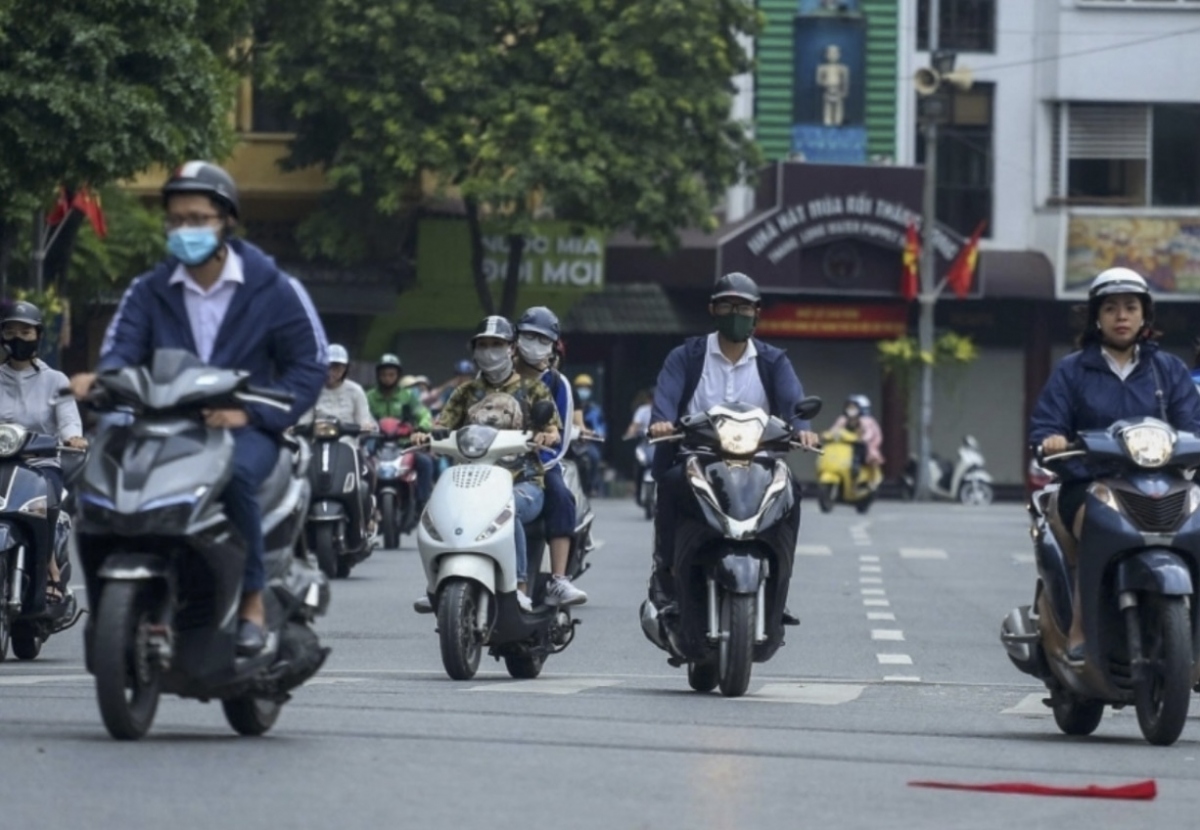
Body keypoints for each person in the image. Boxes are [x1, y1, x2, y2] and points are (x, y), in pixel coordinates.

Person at [70, 160, 327, 655]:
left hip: (242, 428)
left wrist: (252, 414)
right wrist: (99, 381)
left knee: (234, 478)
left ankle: (251, 599)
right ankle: (107, 607)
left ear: (226, 219)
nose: (185, 230)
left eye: (198, 218)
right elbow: (121, 351)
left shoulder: (274, 288)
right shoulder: (149, 289)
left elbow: (309, 365)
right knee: (100, 480)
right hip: (161, 426)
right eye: (177, 220)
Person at [1029, 267, 1200, 663]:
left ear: (1145, 316)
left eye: (1130, 307)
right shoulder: (1073, 370)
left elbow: (1191, 424)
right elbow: (1046, 425)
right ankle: (1081, 627)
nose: (1121, 316)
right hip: (1091, 485)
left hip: (1162, 485)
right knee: (1097, 522)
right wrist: (1053, 439)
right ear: (1096, 317)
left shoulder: (1169, 370)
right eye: (1110, 308)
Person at [646, 272, 819, 621]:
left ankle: (778, 585)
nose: (736, 313)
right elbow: (666, 397)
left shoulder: (773, 361)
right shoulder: (687, 356)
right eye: (727, 304)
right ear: (713, 309)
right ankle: (665, 576)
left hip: (758, 463)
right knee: (669, 485)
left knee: (792, 492)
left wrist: (803, 429)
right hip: (698, 459)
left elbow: (792, 400)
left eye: (744, 307)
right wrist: (662, 420)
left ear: (757, 313)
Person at [415, 316, 561, 612]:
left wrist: (547, 435)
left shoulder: (535, 390)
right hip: (469, 483)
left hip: (522, 481)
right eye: (483, 345)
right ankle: (436, 583)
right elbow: (443, 426)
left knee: (508, 510)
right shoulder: (465, 393)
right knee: (436, 513)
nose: (489, 351)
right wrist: (425, 435)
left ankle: (520, 587)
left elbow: (554, 430)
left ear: (511, 348)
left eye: (496, 344)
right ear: (474, 350)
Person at [0, 301, 87, 604]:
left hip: (41, 463)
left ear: (38, 335)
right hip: (1, 464)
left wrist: (73, 437)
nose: (18, 339)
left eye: (25, 332)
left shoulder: (55, 380)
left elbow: (68, 420)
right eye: (10, 332)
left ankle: (50, 569)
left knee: (43, 503)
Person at [513, 306, 587, 606]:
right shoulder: (494, 377)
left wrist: (538, 458)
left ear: (553, 346)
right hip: (492, 463)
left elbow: (561, 439)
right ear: (516, 338)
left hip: (540, 464)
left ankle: (558, 579)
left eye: (543, 339)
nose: (535, 344)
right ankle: (439, 576)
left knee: (560, 494)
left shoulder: (558, 384)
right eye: (529, 336)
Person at [367, 353, 434, 506]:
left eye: (391, 374)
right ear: (378, 375)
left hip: (404, 445)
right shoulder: (369, 397)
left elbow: (424, 414)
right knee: (360, 465)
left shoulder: (408, 396)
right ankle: (365, 503)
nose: (387, 378)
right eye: (384, 374)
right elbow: (362, 417)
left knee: (425, 462)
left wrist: (422, 427)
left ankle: (421, 503)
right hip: (376, 446)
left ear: (398, 376)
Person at [299, 344, 375, 431]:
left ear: (345, 369)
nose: (330, 372)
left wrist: (366, 426)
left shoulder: (356, 391)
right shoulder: (313, 390)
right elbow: (304, 422)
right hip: (317, 440)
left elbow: (363, 421)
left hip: (348, 440)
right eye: (328, 367)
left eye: (336, 368)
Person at [826, 394, 883, 486]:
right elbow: (834, 430)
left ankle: (861, 474)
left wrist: (862, 438)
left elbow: (869, 433)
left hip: (861, 445)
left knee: (866, 455)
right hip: (845, 445)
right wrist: (827, 435)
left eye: (854, 408)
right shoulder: (843, 419)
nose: (851, 410)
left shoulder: (865, 421)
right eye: (849, 407)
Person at [573, 373, 606, 496]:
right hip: (572, 441)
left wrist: (596, 434)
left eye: (586, 387)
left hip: (588, 442)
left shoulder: (595, 409)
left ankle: (592, 486)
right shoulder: (569, 405)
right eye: (580, 387)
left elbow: (600, 427)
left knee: (594, 457)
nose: (583, 390)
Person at [622, 388, 655, 505]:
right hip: (645, 443)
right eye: (651, 399)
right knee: (639, 463)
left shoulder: (665, 410)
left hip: (661, 444)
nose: (653, 401)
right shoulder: (643, 411)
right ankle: (638, 492)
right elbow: (634, 425)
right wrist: (630, 433)